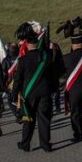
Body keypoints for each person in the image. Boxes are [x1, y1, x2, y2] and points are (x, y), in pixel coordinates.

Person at [12, 22, 55, 152]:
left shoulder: (23, 60)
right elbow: (52, 73)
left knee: (28, 119)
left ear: (27, 44)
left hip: (29, 93)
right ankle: (45, 145)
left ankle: (25, 144)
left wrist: (14, 94)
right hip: (44, 91)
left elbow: (18, 79)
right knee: (44, 119)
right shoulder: (46, 57)